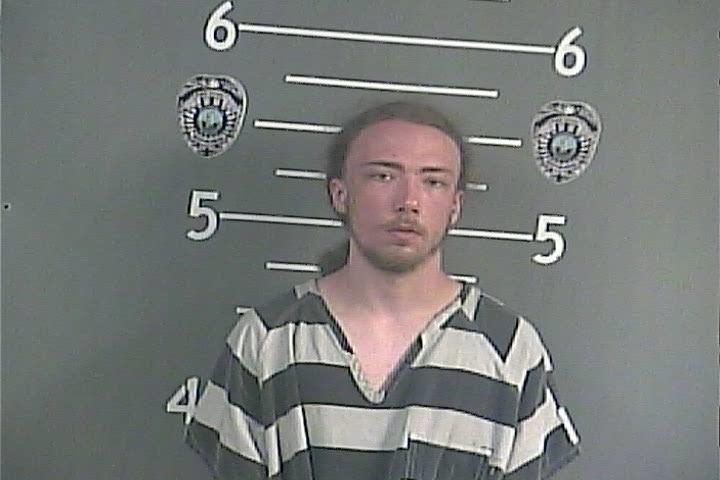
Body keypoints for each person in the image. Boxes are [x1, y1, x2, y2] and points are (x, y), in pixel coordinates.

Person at [184, 101, 581, 479]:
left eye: (433, 181)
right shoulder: (266, 340)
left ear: (455, 206)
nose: (408, 201)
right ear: (340, 194)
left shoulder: (511, 349)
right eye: (383, 176)